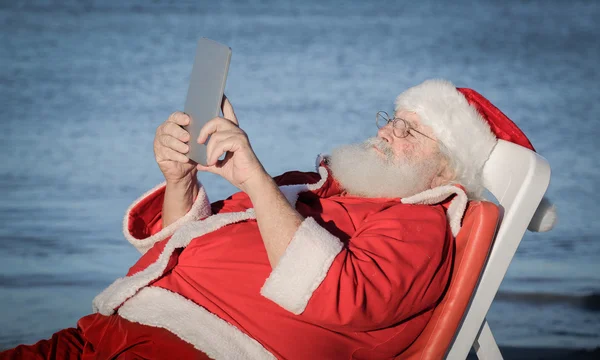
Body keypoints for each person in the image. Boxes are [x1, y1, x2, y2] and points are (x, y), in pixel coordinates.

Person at [1, 79, 555, 359]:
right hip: (116, 333)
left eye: (412, 131)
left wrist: (254, 179)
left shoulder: (420, 226)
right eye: (393, 119)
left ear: (447, 169)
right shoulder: (323, 190)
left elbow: (341, 294)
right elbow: (188, 240)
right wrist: (181, 181)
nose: (387, 131)